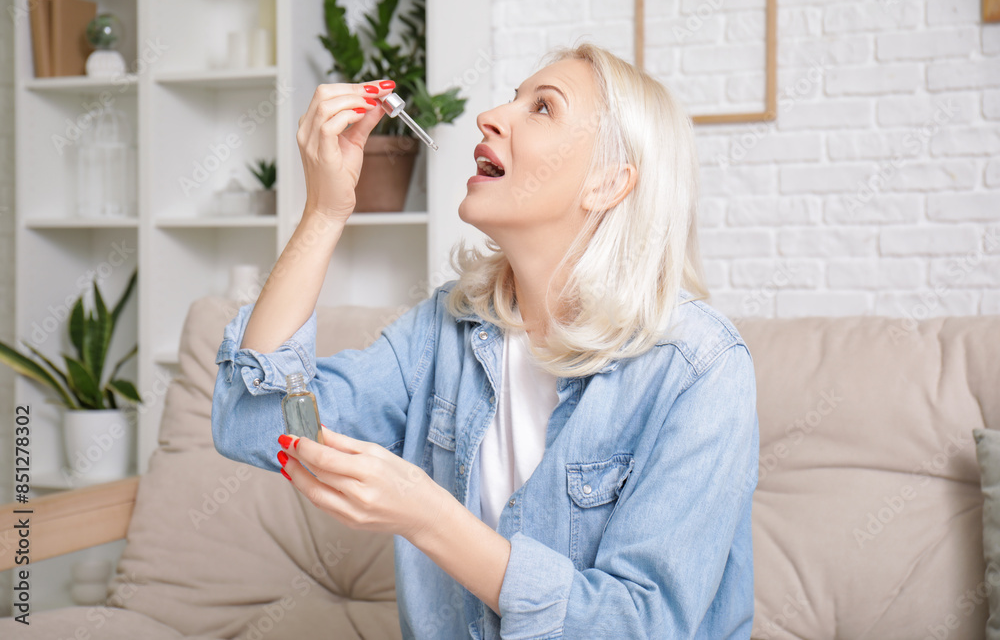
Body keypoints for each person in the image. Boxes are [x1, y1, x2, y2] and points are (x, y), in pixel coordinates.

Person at [212, 40, 759, 639]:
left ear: (608, 182)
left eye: (543, 108)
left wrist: (430, 518)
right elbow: (256, 424)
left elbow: (640, 625)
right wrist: (324, 211)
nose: (490, 116)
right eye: (514, 97)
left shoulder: (700, 369)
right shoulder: (445, 331)